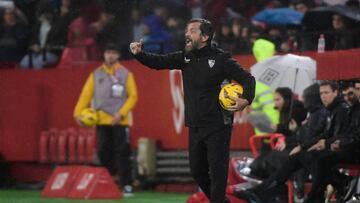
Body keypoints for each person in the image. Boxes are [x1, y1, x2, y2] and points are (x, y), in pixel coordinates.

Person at [130, 18, 256, 203]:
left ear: (204, 36)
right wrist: (139, 54)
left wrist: (245, 99)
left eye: (192, 31)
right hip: (195, 124)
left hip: (218, 124)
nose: (187, 34)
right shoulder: (185, 57)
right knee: (197, 172)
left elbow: (248, 79)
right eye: (187, 30)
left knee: (218, 174)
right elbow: (159, 62)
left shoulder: (221, 59)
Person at [233, 81, 349, 203]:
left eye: (326, 92)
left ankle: (265, 193)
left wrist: (304, 142)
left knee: (295, 158)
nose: (323, 96)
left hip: (336, 150)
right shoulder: (328, 110)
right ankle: (261, 192)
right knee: (291, 159)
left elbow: (336, 135)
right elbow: (324, 134)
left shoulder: (335, 110)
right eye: (321, 93)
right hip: (316, 147)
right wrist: (302, 142)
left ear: (336, 92)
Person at [73, 43, 138, 196]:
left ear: (118, 56)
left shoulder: (126, 74)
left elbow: (133, 96)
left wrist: (121, 114)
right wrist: (77, 114)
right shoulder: (95, 74)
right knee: (103, 152)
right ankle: (107, 183)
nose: (110, 55)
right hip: (101, 120)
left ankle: (126, 185)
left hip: (120, 121)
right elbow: (85, 95)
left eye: (113, 53)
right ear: (104, 55)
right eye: (108, 52)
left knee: (123, 152)